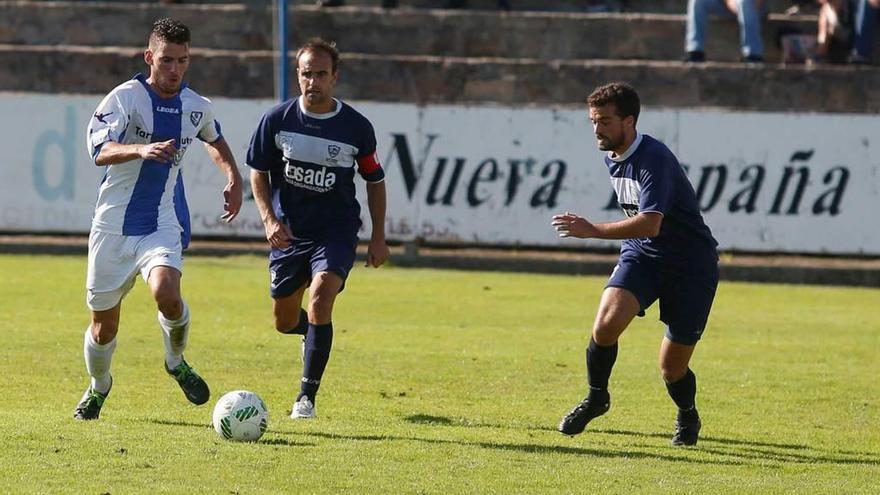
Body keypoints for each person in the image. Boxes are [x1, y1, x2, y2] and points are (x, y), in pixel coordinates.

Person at [75, 18, 244, 420]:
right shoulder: (124, 98)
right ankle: (99, 387)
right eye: (167, 60)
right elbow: (99, 149)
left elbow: (214, 139)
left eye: (182, 61)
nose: (174, 69)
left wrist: (234, 177)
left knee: (168, 294)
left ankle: (175, 361)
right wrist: (140, 149)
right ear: (150, 56)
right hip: (112, 227)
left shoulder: (196, 106)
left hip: (160, 222)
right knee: (103, 329)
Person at [552, 82, 719, 446]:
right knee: (605, 327)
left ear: (630, 121)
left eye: (606, 122)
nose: (597, 130)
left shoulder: (654, 158)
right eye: (594, 122)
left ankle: (687, 415)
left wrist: (592, 230)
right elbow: (645, 232)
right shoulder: (611, 153)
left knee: (671, 368)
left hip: (690, 266)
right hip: (643, 255)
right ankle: (597, 397)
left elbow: (651, 222)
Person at [246, 38, 389, 420]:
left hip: (336, 231)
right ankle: (311, 337)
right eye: (307, 74)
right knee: (285, 322)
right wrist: (269, 220)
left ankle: (305, 397)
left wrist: (378, 236)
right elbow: (258, 171)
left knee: (321, 297)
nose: (313, 82)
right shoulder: (277, 120)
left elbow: (375, 180)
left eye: (321, 74)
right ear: (298, 75)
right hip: (290, 232)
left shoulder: (356, 127)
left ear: (335, 77)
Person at [685, 0, 765, 62]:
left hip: (752, 6)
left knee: (745, 2)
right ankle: (695, 52)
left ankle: (753, 55)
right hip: (726, 5)